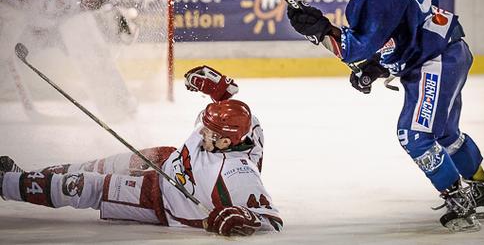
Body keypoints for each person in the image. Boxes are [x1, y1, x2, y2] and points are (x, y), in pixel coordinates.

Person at [286, 0, 484, 232]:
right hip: (451, 51)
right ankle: (483, 188)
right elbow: (405, 29)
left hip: (434, 62)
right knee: (444, 133)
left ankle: (460, 201)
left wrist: (319, 30)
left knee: (414, 136)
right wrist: (380, 66)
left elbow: (353, 49)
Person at [0, 66, 283, 237]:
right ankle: (26, 177)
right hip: (170, 158)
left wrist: (248, 219)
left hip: (164, 199)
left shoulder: (238, 176)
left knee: (85, 186)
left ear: (226, 143)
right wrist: (219, 93)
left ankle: (7, 184)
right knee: (96, 166)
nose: (202, 131)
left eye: (210, 133)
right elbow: (231, 104)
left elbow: (271, 219)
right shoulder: (243, 126)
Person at [0, 0, 138, 121]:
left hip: (65, 26)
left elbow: (105, 1)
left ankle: (118, 105)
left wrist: (119, 19)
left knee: (95, 54)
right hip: (34, 26)